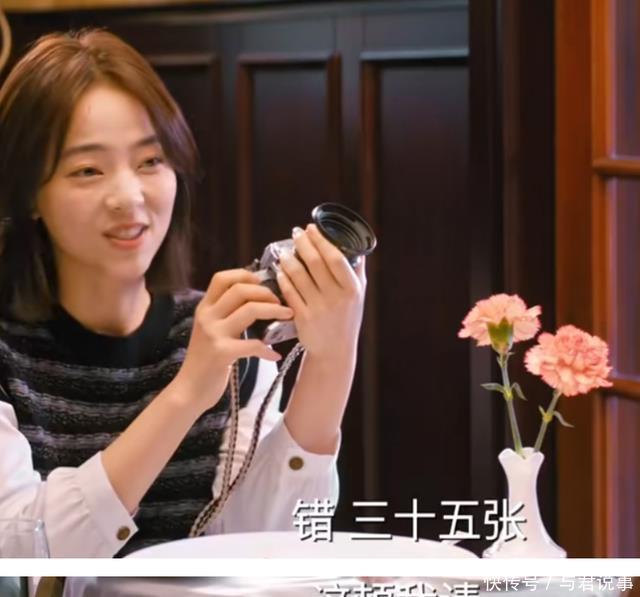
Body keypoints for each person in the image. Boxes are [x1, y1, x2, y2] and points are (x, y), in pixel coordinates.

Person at [0, 28, 366, 558]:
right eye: (88, 170)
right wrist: (186, 394)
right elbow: (21, 553)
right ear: (30, 193)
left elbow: (268, 547)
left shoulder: (224, 333)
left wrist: (331, 362)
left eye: (150, 161)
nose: (129, 197)